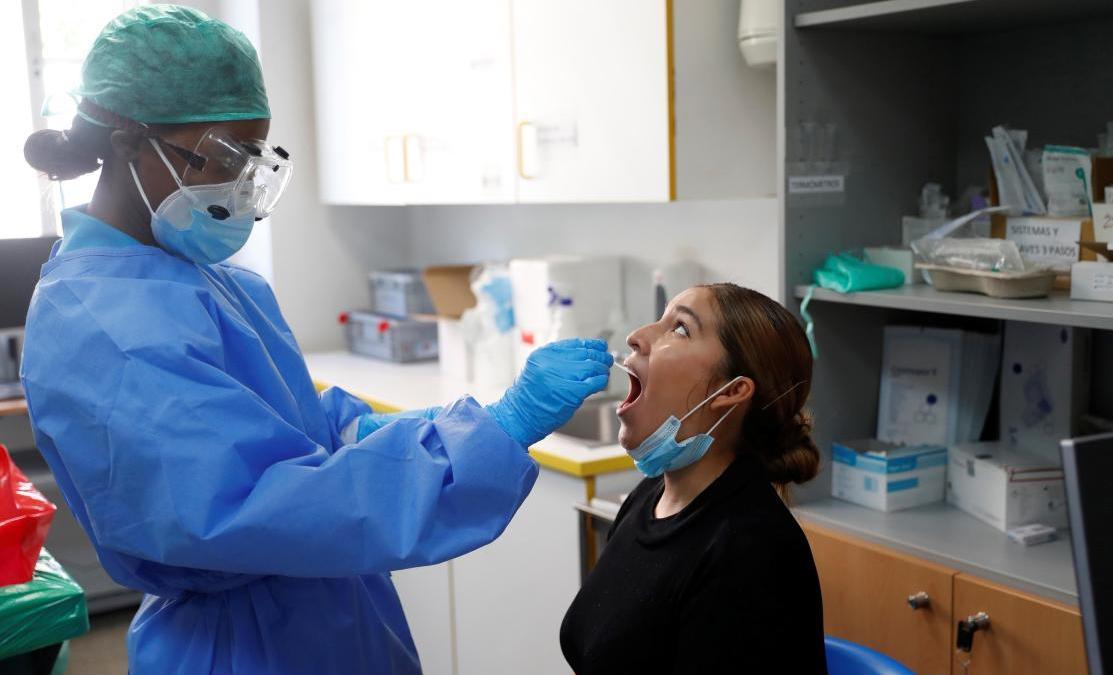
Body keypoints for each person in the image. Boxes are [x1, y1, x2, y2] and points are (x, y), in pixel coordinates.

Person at [19, 6, 611, 674]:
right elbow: (271, 502)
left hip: (321, 616)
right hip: (240, 647)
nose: (238, 189)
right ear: (130, 140)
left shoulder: (207, 280)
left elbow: (318, 431)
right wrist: (492, 436)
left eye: (254, 161)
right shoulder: (100, 321)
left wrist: (460, 427)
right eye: (222, 158)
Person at [560, 283, 827, 674]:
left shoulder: (749, 551)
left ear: (732, 391)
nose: (636, 337)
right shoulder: (651, 496)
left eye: (680, 328)